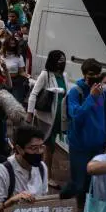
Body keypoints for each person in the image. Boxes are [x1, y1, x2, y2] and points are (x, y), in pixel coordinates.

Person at [60, 60, 106, 206]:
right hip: (80, 146)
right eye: (91, 74)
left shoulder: (102, 92)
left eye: (98, 74)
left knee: (91, 183)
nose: (95, 77)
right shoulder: (76, 91)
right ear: (84, 74)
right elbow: (76, 115)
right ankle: (62, 199)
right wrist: (91, 97)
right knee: (78, 182)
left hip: (98, 145)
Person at [26, 49, 69, 188]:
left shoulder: (64, 76)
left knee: (51, 148)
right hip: (45, 118)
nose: (61, 62)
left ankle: (41, 171)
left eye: (63, 59)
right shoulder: (46, 74)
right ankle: (46, 175)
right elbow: (34, 94)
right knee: (46, 146)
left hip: (59, 119)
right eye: (59, 59)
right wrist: (29, 112)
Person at [2, 35, 29, 104]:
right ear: (6, 44)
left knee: (16, 103)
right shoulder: (2, 56)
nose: (12, 45)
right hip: (3, 82)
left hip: (16, 83)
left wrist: (28, 76)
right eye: (10, 43)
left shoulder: (19, 57)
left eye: (14, 44)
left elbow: (21, 72)